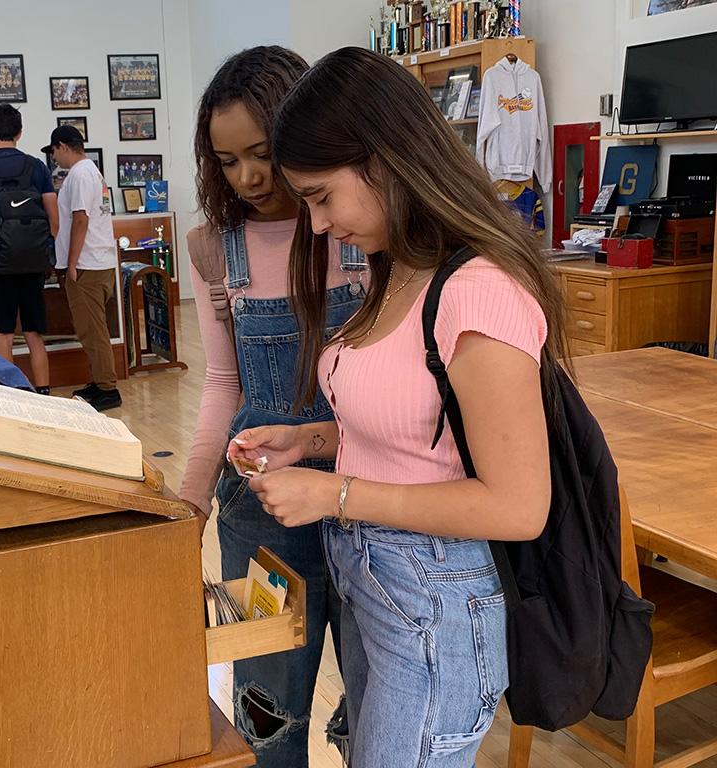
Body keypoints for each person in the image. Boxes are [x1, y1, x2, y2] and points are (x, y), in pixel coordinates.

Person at [229, 47, 566, 767]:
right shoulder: (399, 266)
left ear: (383, 161)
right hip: (377, 588)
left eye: (321, 195)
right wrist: (310, 443)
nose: (316, 225)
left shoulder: (480, 292)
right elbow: (415, 431)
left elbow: (517, 505)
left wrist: (335, 493)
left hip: (434, 607)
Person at [180, 46, 367, 768]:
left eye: (262, 153)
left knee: (372, 705)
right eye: (228, 161)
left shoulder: (358, 231)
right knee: (267, 708)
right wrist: (192, 499)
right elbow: (223, 384)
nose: (249, 177)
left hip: (363, 497)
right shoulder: (211, 248)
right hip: (259, 506)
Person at [0, 104, 58, 395]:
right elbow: (54, 220)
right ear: (19, 132)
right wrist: (40, 248)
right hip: (32, 262)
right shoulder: (37, 167)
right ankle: (44, 393)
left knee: (3, 333)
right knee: (33, 333)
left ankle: (10, 395)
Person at [41, 124, 120, 411]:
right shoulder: (90, 172)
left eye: (53, 152)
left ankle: (107, 388)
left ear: (62, 146)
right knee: (91, 327)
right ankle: (100, 381)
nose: (54, 159)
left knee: (92, 330)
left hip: (87, 265)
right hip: (96, 262)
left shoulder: (79, 174)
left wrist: (71, 263)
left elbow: (81, 220)